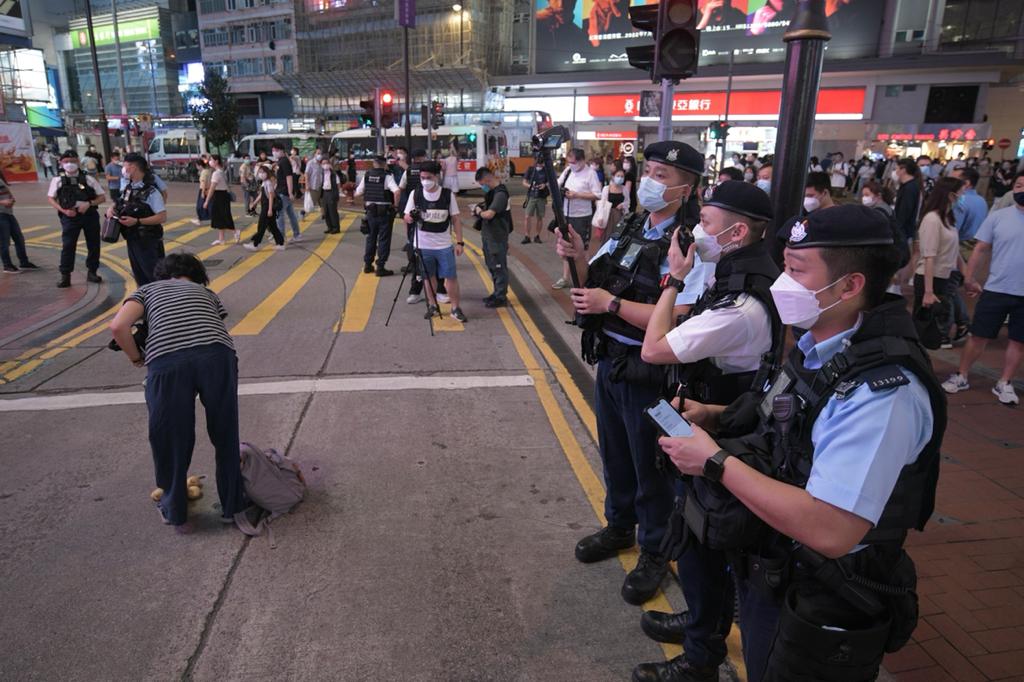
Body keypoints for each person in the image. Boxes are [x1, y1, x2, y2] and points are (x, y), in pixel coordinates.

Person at [660, 204, 943, 682]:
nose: (781, 284)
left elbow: (832, 529)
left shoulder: (881, 394)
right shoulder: (823, 347)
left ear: (850, 285)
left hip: (821, 593)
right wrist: (718, 415)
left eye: (795, 270)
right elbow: (792, 425)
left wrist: (714, 461)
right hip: (775, 565)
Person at [634, 181, 781, 682]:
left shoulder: (741, 305)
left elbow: (653, 348)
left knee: (701, 544)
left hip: (720, 439)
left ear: (738, 232)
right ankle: (701, 622)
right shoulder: (738, 274)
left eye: (709, 224)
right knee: (698, 540)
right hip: (714, 416)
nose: (699, 231)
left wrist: (673, 279)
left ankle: (701, 659)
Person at [556, 141, 707, 607]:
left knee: (652, 466)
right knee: (617, 454)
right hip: (613, 361)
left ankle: (657, 550)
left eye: (663, 176)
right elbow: (597, 282)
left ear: (688, 188)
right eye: (650, 171)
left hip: (652, 373)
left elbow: (682, 315)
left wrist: (613, 305)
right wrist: (579, 255)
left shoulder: (691, 241)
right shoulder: (633, 225)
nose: (651, 182)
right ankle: (620, 527)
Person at [108, 253, 247, 534]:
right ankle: (233, 507)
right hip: (217, 356)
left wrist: (136, 358)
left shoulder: (146, 291)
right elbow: (212, 325)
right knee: (225, 432)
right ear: (197, 275)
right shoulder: (206, 292)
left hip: (167, 363)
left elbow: (118, 327)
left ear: (162, 274)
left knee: (170, 436)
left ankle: (175, 511)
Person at [942, 172, 1024, 405]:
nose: (1021, 190)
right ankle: (962, 375)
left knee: (1018, 341)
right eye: (1018, 185)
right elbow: (980, 250)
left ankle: (1005, 382)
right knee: (979, 335)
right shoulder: (999, 217)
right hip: (997, 287)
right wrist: (969, 277)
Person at [403, 161, 467, 322]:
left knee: (450, 277)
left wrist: (460, 242)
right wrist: (410, 217)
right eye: (422, 177)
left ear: (437, 176)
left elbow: (456, 219)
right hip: (423, 246)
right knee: (427, 277)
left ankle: (455, 308)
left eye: (428, 177)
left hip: (444, 245)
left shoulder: (447, 194)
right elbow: (406, 217)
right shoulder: (415, 194)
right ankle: (432, 305)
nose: (425, 181)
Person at [914, 177, 964, 349]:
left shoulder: (948, 218)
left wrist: (967, 275)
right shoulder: (932, 219)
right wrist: (928, 291)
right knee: (923, 328)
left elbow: (955, 251)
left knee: (933, 328)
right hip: (929, 278)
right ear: (950, 195)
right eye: (960, 192)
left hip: (944, 277)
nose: (962, 196)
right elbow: (929, 256)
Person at [47, 150, 106, 288]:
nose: (70, 164)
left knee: (93, 245)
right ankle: (65, 276)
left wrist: (89, 204)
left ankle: (92, 272)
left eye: (73, 161)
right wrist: (64, 211)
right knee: (68, 246)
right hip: (69, 217)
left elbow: (102, 197)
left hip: (89, 215)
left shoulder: (88, 178)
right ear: (61, 163)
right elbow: (51, 198)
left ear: (78, 162)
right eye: (66, 161)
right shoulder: (57, 180)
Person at [107, 153, 167, 286]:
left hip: (148, 241)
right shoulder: (129, 188)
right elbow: (119, 202)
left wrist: (138, 221)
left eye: (125, 166)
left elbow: (162, 217)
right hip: (133, 239)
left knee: (154, 277)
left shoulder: (151, 192)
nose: (123, 169)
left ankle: (160, 303)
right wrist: (111, 208)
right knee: (140, 276)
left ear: (133, 168)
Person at [552, 148, 602, 290]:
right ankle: (565, 277)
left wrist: (577, 195)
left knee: (581, 249)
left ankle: (583, 278)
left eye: (573, 162)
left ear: (582, 161)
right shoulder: (568, 171)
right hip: (566, 214)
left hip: (582, 216)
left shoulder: (590, 173)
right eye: (569, 162)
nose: (571, 164)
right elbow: (557, 183)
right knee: (565, 246)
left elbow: (597, 194)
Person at [355, 155, 400, 276]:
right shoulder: (387, 177)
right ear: (384, 164)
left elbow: (358, 193)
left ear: (374, 163)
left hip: (370, 212)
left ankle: (368, 265)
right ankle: (380, 267)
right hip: (384, 213)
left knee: (370, 238)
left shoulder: (367, 175)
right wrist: (395, 206)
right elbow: (397, 191)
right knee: (384, 239)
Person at [474, 167, 512, 308]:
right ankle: (496, 293)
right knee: (492, 265)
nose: (482, 186)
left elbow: (489, 214)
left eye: (482, 183)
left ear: (487, 179)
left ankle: (501, 296)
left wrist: (478, 212)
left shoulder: (501, 194)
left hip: (497, 236)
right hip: (489, 235)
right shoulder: (492, 192)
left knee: (498, 266)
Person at [0, 170, 39, 274]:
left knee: (19, 238)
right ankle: (7, 265)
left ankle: (24, 262)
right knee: (4, 242)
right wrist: (3, 201)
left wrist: (11, 200)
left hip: (7, 213)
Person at [244, 164, 285, 251]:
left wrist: (270, 209)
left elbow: (271, 196)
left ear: (267, 173)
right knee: (273, 226)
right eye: (259, 172)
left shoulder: (268, 183)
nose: (261, 174)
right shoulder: (264, 183)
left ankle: (255, 244)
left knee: (262, 225)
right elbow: (262, 194)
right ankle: (280, 243)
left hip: (267, 207)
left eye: (263, 172)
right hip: (265, 206)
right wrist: (254, 203)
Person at [204, 155, 239, 246]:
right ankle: (221, 239)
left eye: (211, 160)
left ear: (216, 161)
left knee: (223, 216)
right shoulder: (221, 171)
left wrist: (207, 201)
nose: (209, 161)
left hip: (219, 196)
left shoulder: (216, 173)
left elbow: (212, 188)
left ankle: (235, 231)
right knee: (220, 216)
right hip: (223, 195)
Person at [593, 164, 630, 245]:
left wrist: (623, 205)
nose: (620, 178)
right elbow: (602, 204)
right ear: (613, 176)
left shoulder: (624, 189)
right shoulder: (606, 189)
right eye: (618, 175)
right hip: (608, 216)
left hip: (620, 216)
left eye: (622, 176)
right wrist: (600, 217)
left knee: (619, 236)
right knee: (607, 237)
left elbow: (627, 201)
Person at [272, 143, 301, 243]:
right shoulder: (281, 161)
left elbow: (289, 177)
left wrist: (290, 192)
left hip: (284, 192)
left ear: (281, 150)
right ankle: (297, 234)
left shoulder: (284, 162)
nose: (273, 153)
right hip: (282, 191)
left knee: (279, 215)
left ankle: (281, 237)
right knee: (291, 214)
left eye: (275, 150)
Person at [522, 159, 549, 245]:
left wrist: (544, 185)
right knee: (527, 216)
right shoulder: (531, 169)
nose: (541, 164)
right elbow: (524, 182)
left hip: (541, 196)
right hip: (532, 195)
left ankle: (537, 236)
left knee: (540, 217)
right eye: (539, 162)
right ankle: (527, 236)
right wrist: (531, 186)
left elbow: (550, 182)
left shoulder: (546, 170)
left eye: (542, 163)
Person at [320, 157, 342, 235]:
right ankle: (329, 227)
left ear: (329, 164)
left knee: (332, 211)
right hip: (324, 193)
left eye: (326, 163)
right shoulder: (321, 173)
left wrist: (339, 192)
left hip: (332, 192)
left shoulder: (333, 174)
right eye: (323, 163)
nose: (325, 165)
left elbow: (338, 183)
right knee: (326, 212)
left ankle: (336, 228)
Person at [305, 147, 325, 223]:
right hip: (313, 186)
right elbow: (306, 174)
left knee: (322, 201)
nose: (320, 155)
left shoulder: (321, 164)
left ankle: (324, 214)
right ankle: (303, 213)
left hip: (320, 186)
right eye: (318, 153)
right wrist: (307, 184)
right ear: (314, 154)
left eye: (321, 153)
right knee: (311, 203)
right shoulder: (311, 163)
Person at [192, 158, 211, 225]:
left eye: (197, 166)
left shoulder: (203, 173)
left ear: (199, 165)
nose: (196, 167)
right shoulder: (208, 171)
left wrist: (202, 192)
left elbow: (203, 183)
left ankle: (199, 219)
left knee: (199, 206)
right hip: (209, 190)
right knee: (208, 205)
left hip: (204, 190)